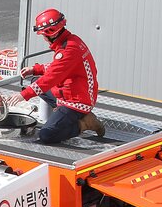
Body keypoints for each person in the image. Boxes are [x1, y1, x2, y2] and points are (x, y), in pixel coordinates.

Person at [17, 8, 103, 145]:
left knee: (47, 135)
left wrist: (22, 96)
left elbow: (52, 78)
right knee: (35, 80)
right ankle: (62, 115)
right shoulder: (70, 42)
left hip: (77, 101)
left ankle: (85, 124)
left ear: (51, 33)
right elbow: (59, 67)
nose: (44, 38)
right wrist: (35, 69)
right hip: (71, 93)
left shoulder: (68, 50)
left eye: (43, 35)